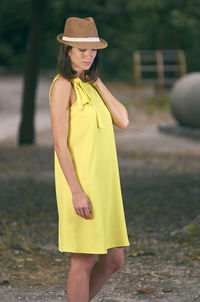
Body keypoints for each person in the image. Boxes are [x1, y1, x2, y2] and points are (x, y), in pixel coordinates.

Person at [49, 16, 130, 302]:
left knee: (114, 260)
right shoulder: (63, 86)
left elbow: (123, 119)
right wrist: (76, 191)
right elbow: (60, 144)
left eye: (93, 49)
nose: (88, 55)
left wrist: (98, 82)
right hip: (81, 185)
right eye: (81, 49)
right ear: (67, 50)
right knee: (84, 260)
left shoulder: (92, 85)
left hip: (106, 186)